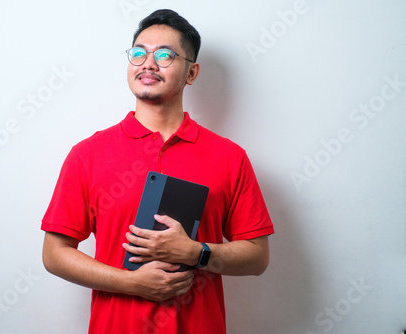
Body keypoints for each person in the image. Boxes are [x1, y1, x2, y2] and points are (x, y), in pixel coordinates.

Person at [41, 9, 274, 334]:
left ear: (191, 72)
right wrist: (132, 283)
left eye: (164, 55)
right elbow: (55, 253)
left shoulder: (229, 157)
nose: (148, 63)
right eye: (139, 53)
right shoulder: (88, 155)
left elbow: (257, 257)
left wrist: (197, 252)